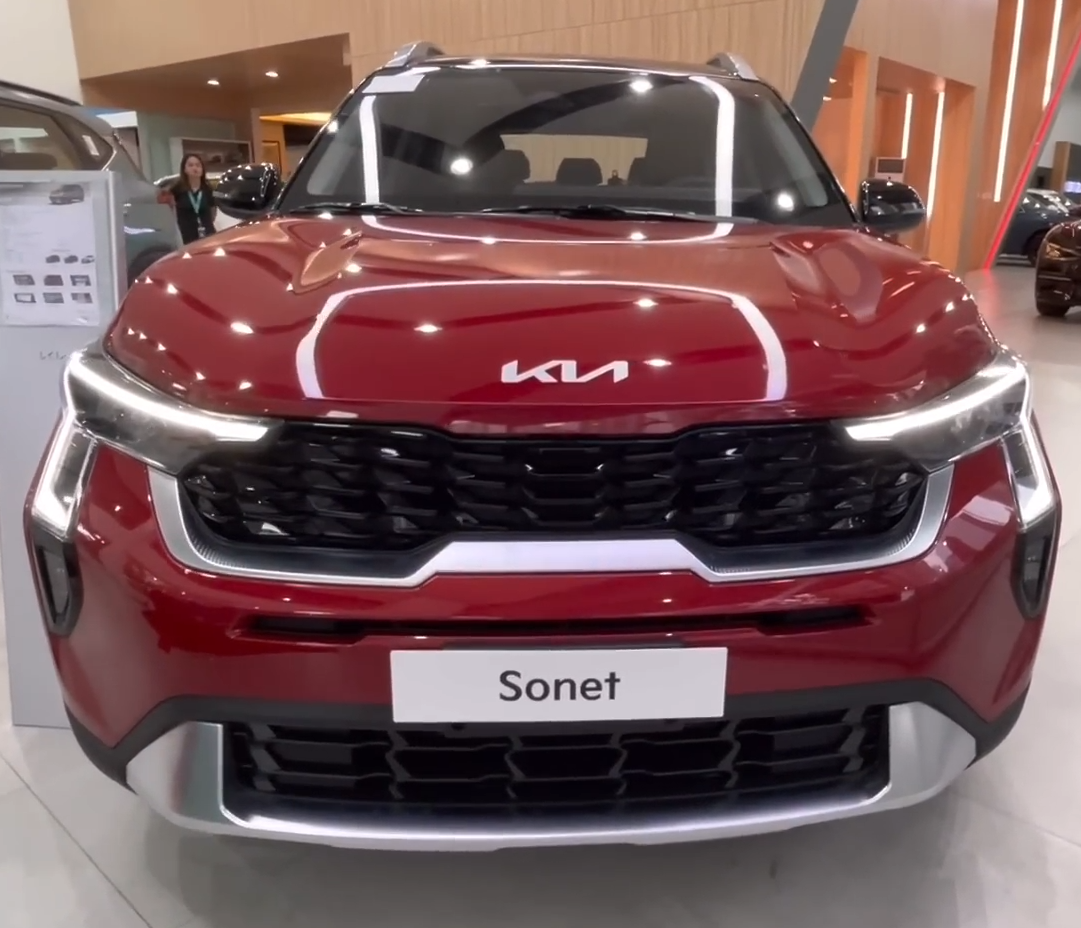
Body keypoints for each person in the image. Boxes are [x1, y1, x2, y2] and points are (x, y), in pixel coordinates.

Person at [169, 154, 217, 244]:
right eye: (190, 165)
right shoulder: (176, 190)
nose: (195, 168)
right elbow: (171, 212)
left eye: (198, 165)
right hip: (185, 236)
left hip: (207, 234)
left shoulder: (208, 190)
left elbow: (213, 211)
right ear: (184, 169)